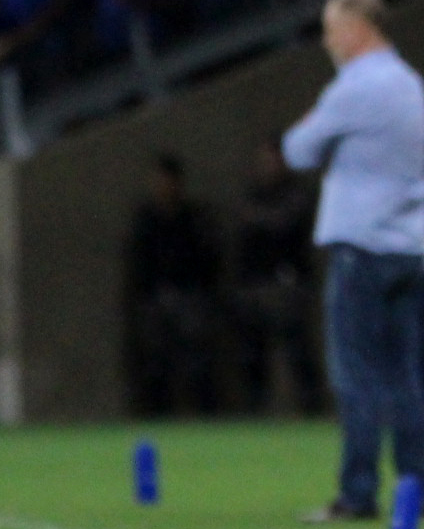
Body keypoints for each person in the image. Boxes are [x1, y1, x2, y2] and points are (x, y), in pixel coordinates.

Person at [282, 0, 424, 522]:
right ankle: (418, 486)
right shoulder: (411, 82)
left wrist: (313, 121)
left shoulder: (355, 85)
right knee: (403, 374)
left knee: (356, 375)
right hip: (407, 246)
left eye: (332, 30)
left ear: (356, 28)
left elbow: (298, 150)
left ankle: (359, 492)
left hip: (361, 247)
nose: (328, 42)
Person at [126, 154, 223, 415]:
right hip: (155, 301)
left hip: (190, 299)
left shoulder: (193, 218)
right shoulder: (145, 220)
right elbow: (139, 264)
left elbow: (207, 260)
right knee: (155, 363)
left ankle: (205, 416)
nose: (163, 186)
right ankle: (157, 416)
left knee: (197, 361)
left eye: (167, 180)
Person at [233, 139, 324, 414]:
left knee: (298, 352)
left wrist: (258, 218)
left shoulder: (297, 194)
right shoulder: (252, 194)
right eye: (265, 160)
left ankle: (312, 410)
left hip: (289, 286)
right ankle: (255, 411)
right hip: (254, 286)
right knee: (253, 356)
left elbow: (284, 223)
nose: (269, 166)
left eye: (274, 160)